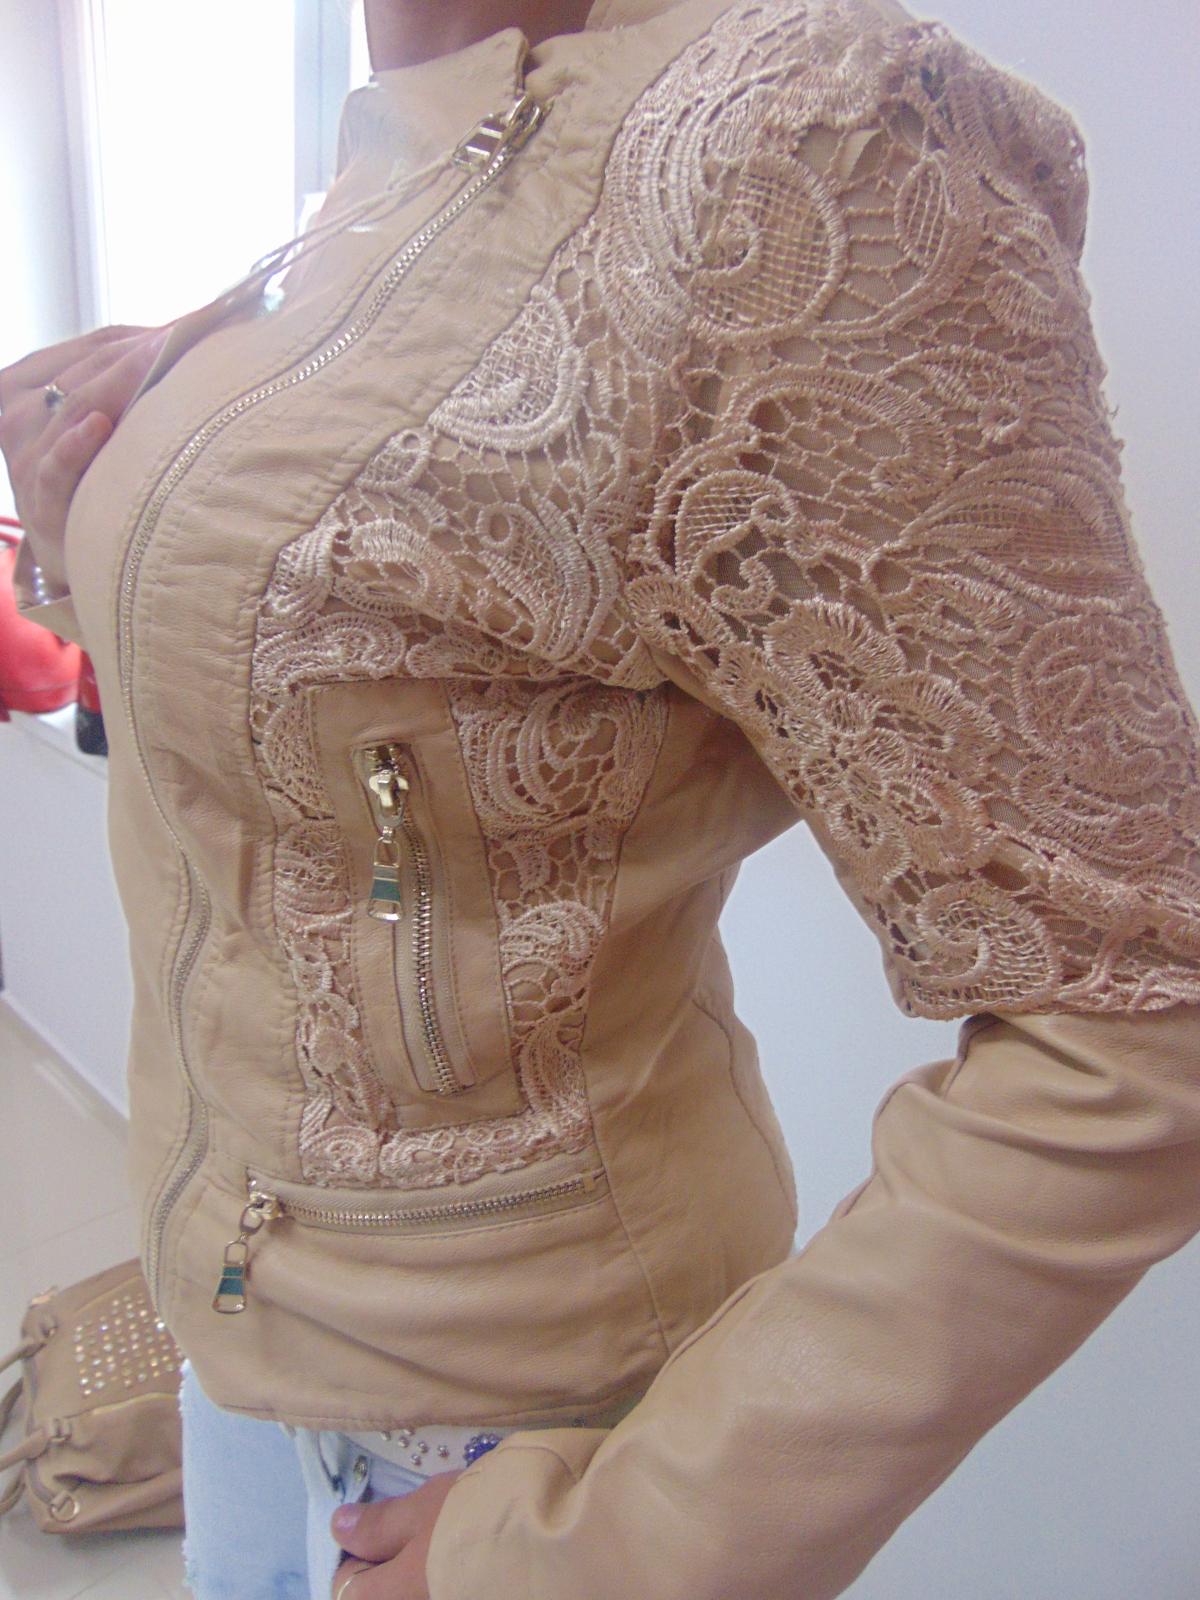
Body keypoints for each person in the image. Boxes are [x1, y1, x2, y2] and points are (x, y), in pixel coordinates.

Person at [3, 0, 1199, 1596]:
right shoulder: (398, 139)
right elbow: (320, 751)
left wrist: (599, 1554)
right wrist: (81, 545)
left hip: (514, 1445)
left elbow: (1142, 1022)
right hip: (240, 1348)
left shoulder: (797, 153)